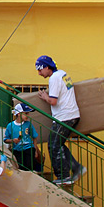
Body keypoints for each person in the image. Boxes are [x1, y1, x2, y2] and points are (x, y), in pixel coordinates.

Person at [36, 55, 86, 185]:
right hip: (72, 114)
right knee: (58, 145)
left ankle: (63, 176)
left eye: (40, 70)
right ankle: (76, 168)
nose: (39, 73)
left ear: (47, 67)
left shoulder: (54, 78)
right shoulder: (63, 74)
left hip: (64, 117)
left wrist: (45, 97)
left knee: (53, 146)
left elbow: (53, 101)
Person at [4, 103, 42, 172]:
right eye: (26, 113)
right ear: (19, 114)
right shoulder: (10, 125)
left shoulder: (28, 124)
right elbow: (5, 139)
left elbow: (34, 136)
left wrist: (35, 149)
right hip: (17, 150)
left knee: (29, 165)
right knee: (20, 167)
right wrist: (12, 140)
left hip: (28, 147)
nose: (28, 115)